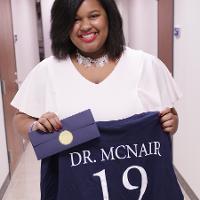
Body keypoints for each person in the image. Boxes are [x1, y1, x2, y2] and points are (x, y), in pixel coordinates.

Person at [11, 0, 182, 198]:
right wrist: (36, 127)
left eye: (93, 16)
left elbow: (168, 116)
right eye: (75, 19)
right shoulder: (47, 71)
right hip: (77, 190)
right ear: (63, 25)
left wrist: (172, 122)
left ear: (109, 17)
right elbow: (20, 119)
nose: (85, 26)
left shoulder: (146, 65)